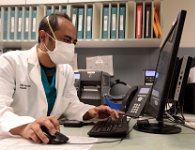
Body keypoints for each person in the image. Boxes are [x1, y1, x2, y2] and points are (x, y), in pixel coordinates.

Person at [0, 13, 123, 144]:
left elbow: (70, 105)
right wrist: (25, 126)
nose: (71, 46)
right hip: (12, 141)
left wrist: (91, 112)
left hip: (45, 142)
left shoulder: (66, 70)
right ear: (43, 37)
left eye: (73, 42)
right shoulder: (10, 62)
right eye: (66, 40)